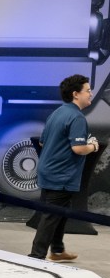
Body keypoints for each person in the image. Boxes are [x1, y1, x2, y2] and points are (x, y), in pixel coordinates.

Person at [28, 74, 100, 262]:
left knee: (60, 212)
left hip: (48, 172)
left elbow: (43, 142)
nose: (91, 94)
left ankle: (58, 251)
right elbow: (78, 148)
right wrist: (92, 146)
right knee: (51, 216)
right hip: (61, 176)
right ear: (76, 94)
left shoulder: (57, 113)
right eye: (88, 90)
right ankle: (35, 257)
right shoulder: (76, 118)